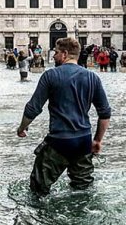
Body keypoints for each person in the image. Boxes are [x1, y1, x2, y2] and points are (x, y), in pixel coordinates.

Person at [16, 38, 111, 196]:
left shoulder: (50, 75)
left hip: (59, 141)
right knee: (83, 190)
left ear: (65, 54)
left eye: (56, 52)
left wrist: (21, 128)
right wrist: (97, 140)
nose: (53, 56)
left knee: (38, 189)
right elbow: (105, 113)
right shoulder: (93, 77)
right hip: (83, 141)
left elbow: (33, 108)